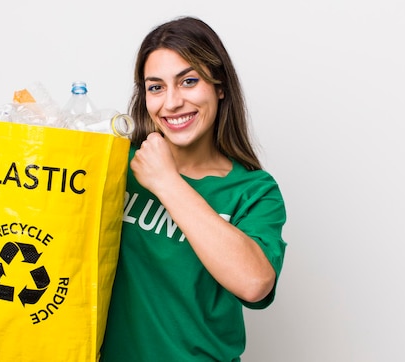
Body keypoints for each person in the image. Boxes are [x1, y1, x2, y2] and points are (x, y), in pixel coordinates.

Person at [100, 16, 287, 361]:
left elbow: (255, 283)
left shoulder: (254, 191)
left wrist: (167, 182)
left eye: (188, 81)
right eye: (156, 87)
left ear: (219, 86)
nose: (171, 103)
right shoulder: (114, 166)